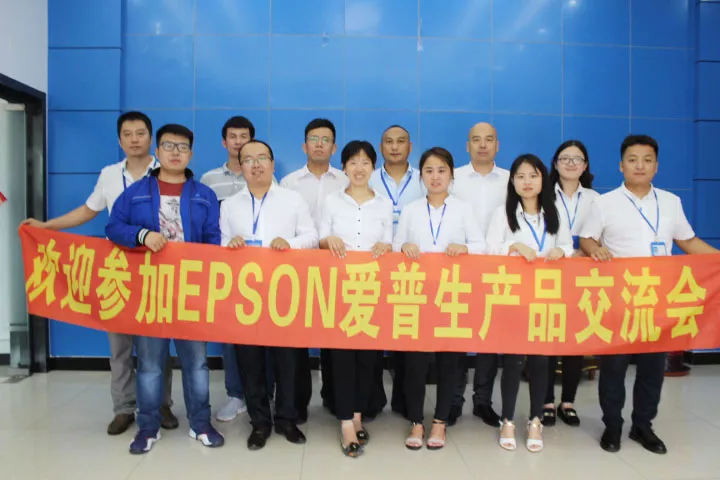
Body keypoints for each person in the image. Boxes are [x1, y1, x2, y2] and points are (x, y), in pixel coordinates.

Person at [21, 111, 177, 435]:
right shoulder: (109, 175)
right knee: (119, 347)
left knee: (157, 346)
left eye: (140, 133)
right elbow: (87, 210)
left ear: (151, 138)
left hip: (157, 268)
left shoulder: (168, 171)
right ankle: (123, 408)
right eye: (127, 134)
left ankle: (161, 404)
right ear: (119, 140)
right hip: (117, 269)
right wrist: (47, 227)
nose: (134, 139)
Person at [580, 134, 719, 455]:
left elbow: (688, 241)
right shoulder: (604, 203)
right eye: (632, 160)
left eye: (646, 160)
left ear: (656, 166)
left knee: (652, 369)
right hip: (619, 300)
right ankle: (612, 425)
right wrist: (594, 248)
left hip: (657, 300)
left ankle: (643, 425)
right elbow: (586, 238)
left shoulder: (670, 202)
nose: (639, 166)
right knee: (613, 368)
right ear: (621, 165)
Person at [106, 123, 224, 454]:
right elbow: (114, 226)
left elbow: (213, 239)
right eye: (169, 146)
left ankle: (200, 423)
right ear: (157, 151)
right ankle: (147, 427)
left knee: (197, 364)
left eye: (182, 147)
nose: (175, 152)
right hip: (151, 293)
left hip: (190, 293)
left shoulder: (204, 195)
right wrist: (142, 236)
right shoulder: (136, 192)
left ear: (191, 154)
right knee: (150, 364)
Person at [221, 140, 318, 450]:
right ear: (241, 167)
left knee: (288, 361)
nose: (256, 164)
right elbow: (220, 246)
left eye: (262, 158)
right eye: (249, 159)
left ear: (273, 164)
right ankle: (260, 422)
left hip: (285, 294)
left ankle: (287, 419)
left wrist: (289, 243)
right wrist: (230, 246)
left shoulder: (292, 200)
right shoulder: (230, 205)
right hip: (246, 297)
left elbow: (312, 237)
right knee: (250, 363)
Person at [393, 147, 486, 451]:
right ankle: (416, 421)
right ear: (421, 176)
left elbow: (482, 245)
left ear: (451, 175)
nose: (435, 177)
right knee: (415, 363)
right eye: (429, 171)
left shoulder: (463, 209)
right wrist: (404, 246)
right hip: (417, 296)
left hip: (452, 295)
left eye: (442, 170)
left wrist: (466, 248)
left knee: (450, 362)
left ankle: (440, 421)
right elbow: (395, 245)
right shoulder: (411, 210)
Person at [485, 153, 573, 452]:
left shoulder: (555, 212)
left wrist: (562, 252)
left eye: (533, 176)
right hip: (512, 298)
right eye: (520, 176)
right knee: (512, 361)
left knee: (540, 361)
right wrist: (513, 246)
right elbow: (489, 248)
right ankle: (507, 420)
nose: (527, 182)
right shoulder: (502, 213)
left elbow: (567, 244)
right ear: (512, 181)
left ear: (543, 180)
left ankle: (535, 420)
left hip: (546, 298)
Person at [318, 140, 393, 457]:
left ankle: (359, 413)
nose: (359, 168)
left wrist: (387, 246)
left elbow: (390, 241)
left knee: (367, 356)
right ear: (344, 167)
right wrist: (328, 239)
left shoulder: (384, 204)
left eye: (365, 162)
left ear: (373, 167)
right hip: (339, 288)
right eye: (353, 162)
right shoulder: (332, 201)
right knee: (342, 356)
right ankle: (346, 421)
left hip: (372, 289)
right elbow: (320, 237)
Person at [199, 115, 275, 423]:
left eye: (245, 136)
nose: (238, 141)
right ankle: (235, 394)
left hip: (266, 273)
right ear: (224, 141)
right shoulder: (209, 180)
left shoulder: (268, 177)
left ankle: (264, 394)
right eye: (233, 136)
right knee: (231, 335)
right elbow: (208, 227)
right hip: (229, 272)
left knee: (266, 336)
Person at [280, 118, 348, 423]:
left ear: (334, 147)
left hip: (339, 269)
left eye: (326, 140)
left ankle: (335, 398)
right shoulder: (288, 183)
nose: (319, 145)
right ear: (304, 145)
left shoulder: (346, 180)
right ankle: (298, 403)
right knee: (297, 339)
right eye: (314, 139)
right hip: (299, 269)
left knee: (337, 336)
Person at [449, 122, 510, 426]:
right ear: (467, 145)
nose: (482, 145)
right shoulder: (453, 178)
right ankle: (454, 400)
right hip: (460, 268)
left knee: (490, 336)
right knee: (457, 335)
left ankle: (483, 401)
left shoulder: (512, 179)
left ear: (497, 145)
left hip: (500, 270)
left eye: (489, 140)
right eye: (476, 140)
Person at [368, 125, 425, 419]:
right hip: (375, 264)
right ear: (381, 147)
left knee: (407, 332)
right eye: (388, 142)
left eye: (400, 141)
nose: (394, 147)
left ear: (410, 146)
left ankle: (405, 401)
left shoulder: (424, 178)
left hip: (411, 266)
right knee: (372, 332)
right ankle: (373, 399)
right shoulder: (369, 177)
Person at [542, 140, 599, 427]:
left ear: (585, 165)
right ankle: (546, 401)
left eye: (577, 159)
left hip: (583, 274)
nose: (571, 163)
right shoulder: (543, 194)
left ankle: (568, 401)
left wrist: (585, 251)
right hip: (551, 272)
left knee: (575, 339)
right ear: (555, 163)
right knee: (549, 336)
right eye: (565, 158)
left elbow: (601, 235)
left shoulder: (595, 199)